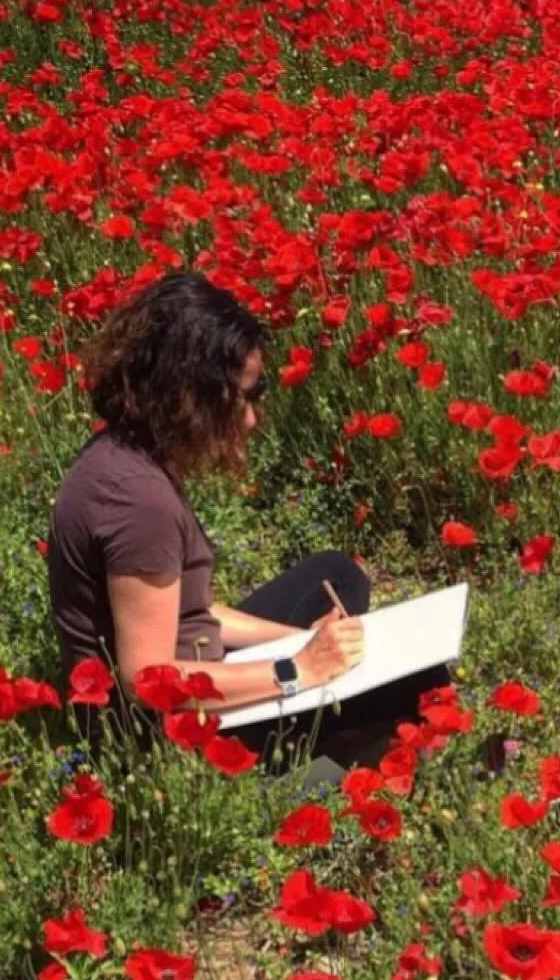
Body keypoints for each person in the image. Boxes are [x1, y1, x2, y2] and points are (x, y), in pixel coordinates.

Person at [46, 270, 449, 772]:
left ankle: (323, 740)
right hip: (170, 739)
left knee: (336, 575)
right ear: (188, 392)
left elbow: (190, 609)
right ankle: (301, 775)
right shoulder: (137, 502)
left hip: (194, 671)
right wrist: (294, 669)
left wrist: (295, 638)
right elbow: (147, 679)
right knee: (417, 690)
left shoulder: (122, 453)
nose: (252, 418)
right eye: (245, 396)